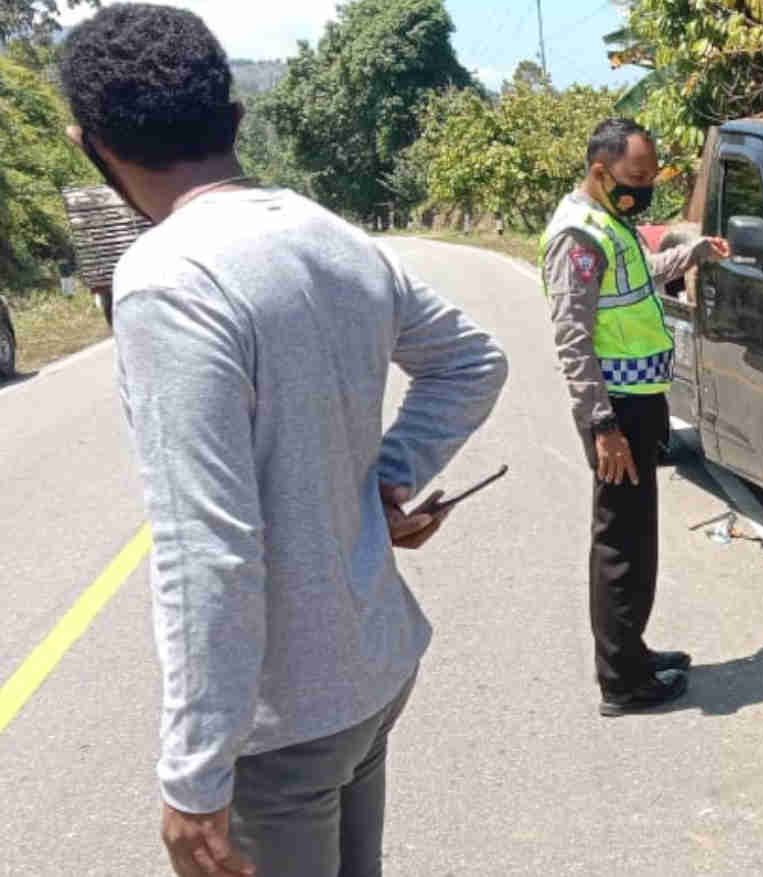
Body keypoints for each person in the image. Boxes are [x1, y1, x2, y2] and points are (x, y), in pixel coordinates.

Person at [59, 6, 509, 876]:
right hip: (370, 673)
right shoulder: (326, 232)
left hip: (285, 724)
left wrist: (195, 775)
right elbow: (471, 360)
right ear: (232, 116)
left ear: (93, 146)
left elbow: (207, 550)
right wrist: (389, 477)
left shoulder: (167, 278)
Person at [542, 118, 729, 716]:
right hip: (616, 411)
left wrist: (694, 252)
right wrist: (603, 426)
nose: (645, 187)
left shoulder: (609, 220)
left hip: (637, 401)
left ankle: (633, 652)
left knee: (636, 537)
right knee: (620, 545)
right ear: (601, 171)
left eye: (651, 176)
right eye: (636, 176)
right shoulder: (578, 237)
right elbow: (573, 338)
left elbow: (642, 276)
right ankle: (622, 682)